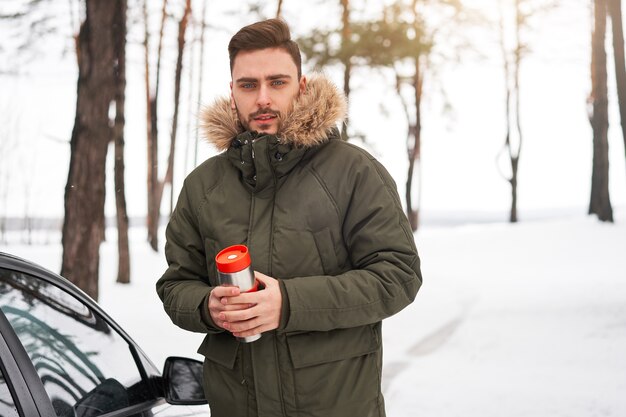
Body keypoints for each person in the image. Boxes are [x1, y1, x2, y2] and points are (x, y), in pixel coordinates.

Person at [156, 18, 422, 417]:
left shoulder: (352, 171)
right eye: (248, 85)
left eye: (277, 82)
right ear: (232, 93)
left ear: (300, 86)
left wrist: (290, 303)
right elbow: (176, 284)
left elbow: (398, 275)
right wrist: (206, 306)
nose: (263, 98)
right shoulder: (203, 186)